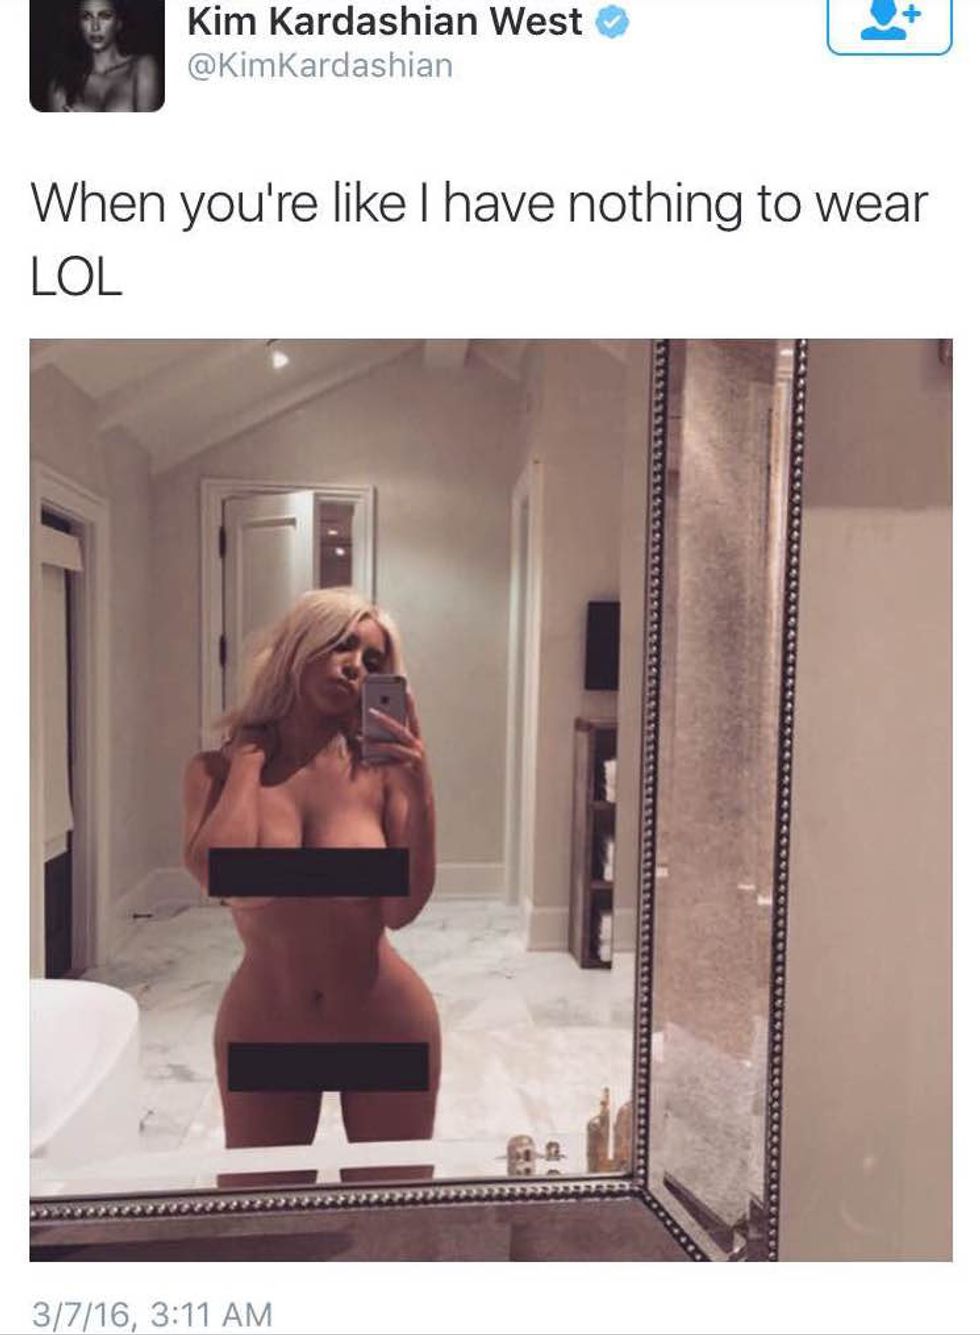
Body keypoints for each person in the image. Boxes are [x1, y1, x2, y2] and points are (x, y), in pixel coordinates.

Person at [182, 589, 441, 1149]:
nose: (355, 666)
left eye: (373, 660)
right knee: (267, 1196)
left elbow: (400, 912)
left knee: (390, 1196)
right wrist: (248, 763)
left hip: (385, 1026)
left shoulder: (380, 777)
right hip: (266, 1029)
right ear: (298, 647)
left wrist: (419, 788)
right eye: (341, 645)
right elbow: (222, 878)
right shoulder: (214, 773)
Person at [48, 0, 161, 112]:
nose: (95, 27)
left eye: (105, 16)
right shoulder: (62, 85)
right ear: (79, 24)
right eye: (87, 17)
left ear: (118, 23)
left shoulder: (141, 67)